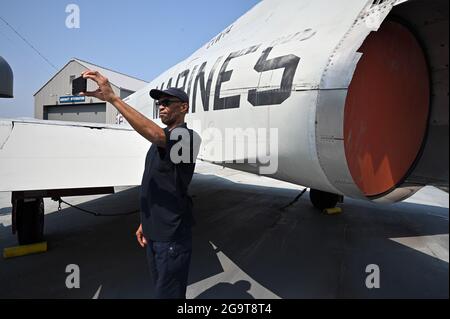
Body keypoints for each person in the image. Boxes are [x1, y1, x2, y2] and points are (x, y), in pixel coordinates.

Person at [80, 70, 200, 299]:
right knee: (162, 292)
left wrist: (114, 99)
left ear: (183, 107)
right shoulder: (162, 139)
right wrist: (145, 221)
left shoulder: (188, 138)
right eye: (159, 103)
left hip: (172, 237)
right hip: (155, 232)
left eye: (167, 102)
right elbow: (156, 184)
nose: (161, 106)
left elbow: (155, 135)